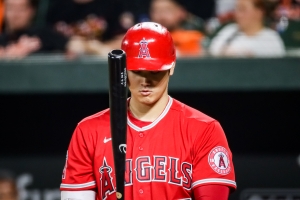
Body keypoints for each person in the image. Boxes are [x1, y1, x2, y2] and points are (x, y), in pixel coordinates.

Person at [60, 22, 236, 200]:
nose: (145, 81)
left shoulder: (204, 129)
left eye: (154, 71)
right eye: (137, 71)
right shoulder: (89, 131)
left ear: (172, 66)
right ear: (123, 69)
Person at [209, 0, 285, 57]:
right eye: (237, 9)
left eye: (242, 9)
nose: (237, 14)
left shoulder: (271, 39)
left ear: (259, 12)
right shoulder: (229, 31)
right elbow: (212, 52)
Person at [0, 0, 68, 59]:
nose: (15, 15)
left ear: (32, 10)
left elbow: (70, 48)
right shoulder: (2, 41)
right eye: (10, 8)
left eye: (21, 9)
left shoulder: (45, 36)